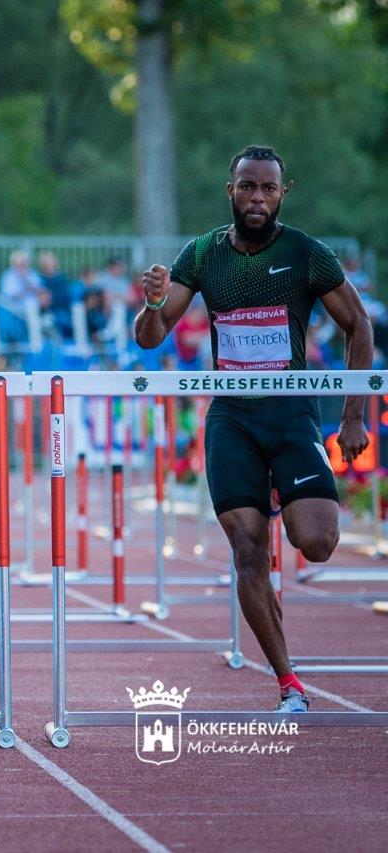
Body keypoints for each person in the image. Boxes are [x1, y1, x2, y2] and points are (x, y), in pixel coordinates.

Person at [134, 145, 372, 713]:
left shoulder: (306, 253)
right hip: (232, 418)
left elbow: (358, 324)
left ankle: (283, 490)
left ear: (282, 193)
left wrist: (353, 413)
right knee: (247, 551)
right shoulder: (203, 254)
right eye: (247, 188)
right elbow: (152, 335)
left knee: (316, 542)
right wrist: (153, 302)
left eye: (267, 188)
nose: (257, 197)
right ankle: (289, 683)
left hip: (291, 413)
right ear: (231, 191)